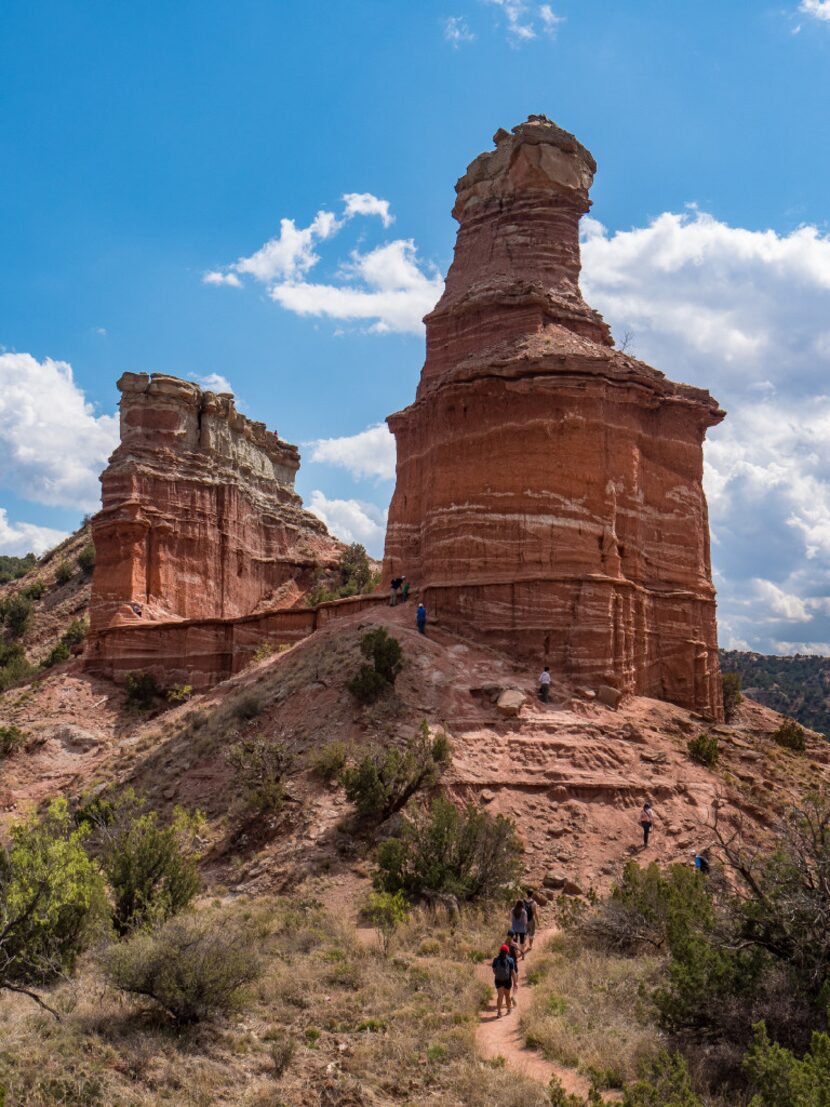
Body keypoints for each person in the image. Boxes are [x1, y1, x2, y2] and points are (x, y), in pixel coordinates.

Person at [491, 943, 517, 1017]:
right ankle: (508, 1009)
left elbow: (494, 970)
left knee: (500, 996)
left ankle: (499, 1012)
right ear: (507, 952)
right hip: (507, 980)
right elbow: (513, 972)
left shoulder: (495, 960)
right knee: (507, 996)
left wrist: (498, 975)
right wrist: (515, 982)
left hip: (498, 980)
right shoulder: (510, 960)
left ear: (500, 951)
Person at [506, 931, 522, 1008]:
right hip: (514, 966)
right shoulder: (515, 945)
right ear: (513, 936)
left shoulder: (504, 944)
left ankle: (508, 998)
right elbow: (517, 955)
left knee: (508, 983)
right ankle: (514, 996)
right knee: (516, 983)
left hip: (506, 966)